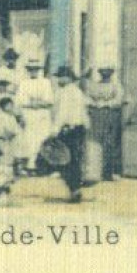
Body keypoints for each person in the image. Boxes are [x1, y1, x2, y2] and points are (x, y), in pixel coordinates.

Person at [48, 66, 89, 201]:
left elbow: (62, 113)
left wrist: (55, 130)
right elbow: (84, 112)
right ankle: (75, 189)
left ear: (68, 78)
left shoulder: (66, 92)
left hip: (68, 129)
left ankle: (74, 189)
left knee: (67, 161)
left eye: (61, 76)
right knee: (75, 159)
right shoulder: (77, 91)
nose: (59, 79)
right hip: (78, 128)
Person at [12, 58, 55, 175]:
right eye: (31, 70)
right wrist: (32, 102)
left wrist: (36, 102)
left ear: (39, 70)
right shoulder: (23, 83)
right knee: (29, 140)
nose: (33, 72)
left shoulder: (45, 82)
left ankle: (43, 166)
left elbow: (49, 100)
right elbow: (20, 100)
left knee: (43, 139)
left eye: (35, 69)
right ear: (28, 70)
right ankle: (30, 166)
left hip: (42, 115)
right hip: (29, 114)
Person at [85, 66, 126, 182]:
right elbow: (87, 98)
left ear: (111, 74)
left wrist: (106, 104)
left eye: (107, 73)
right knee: (96, 142)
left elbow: (118, 100)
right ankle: (95, 171)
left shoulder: (116, 85)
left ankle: (109, 172)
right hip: (96, 115)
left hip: (110, 115)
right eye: (103, 73)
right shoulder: (94, 85)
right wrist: (95, 103)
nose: (105, 75)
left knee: (110, 143)